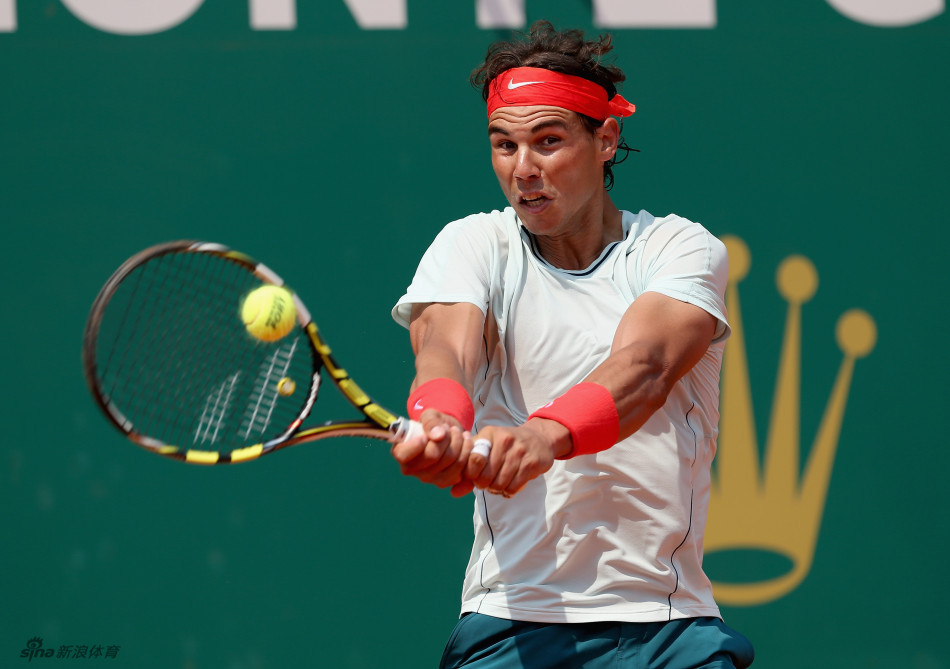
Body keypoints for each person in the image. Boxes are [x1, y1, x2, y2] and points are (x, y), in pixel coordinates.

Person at [390, 21, 754, 669]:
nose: (523, 170)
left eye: (548, 141)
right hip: (511, 621)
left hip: (665, 627)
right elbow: (445, 350)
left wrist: (540, 436)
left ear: (605, 139)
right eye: (503, 145)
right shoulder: (474, 245)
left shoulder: (679, 249)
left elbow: (643, 368)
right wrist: (440, 418)